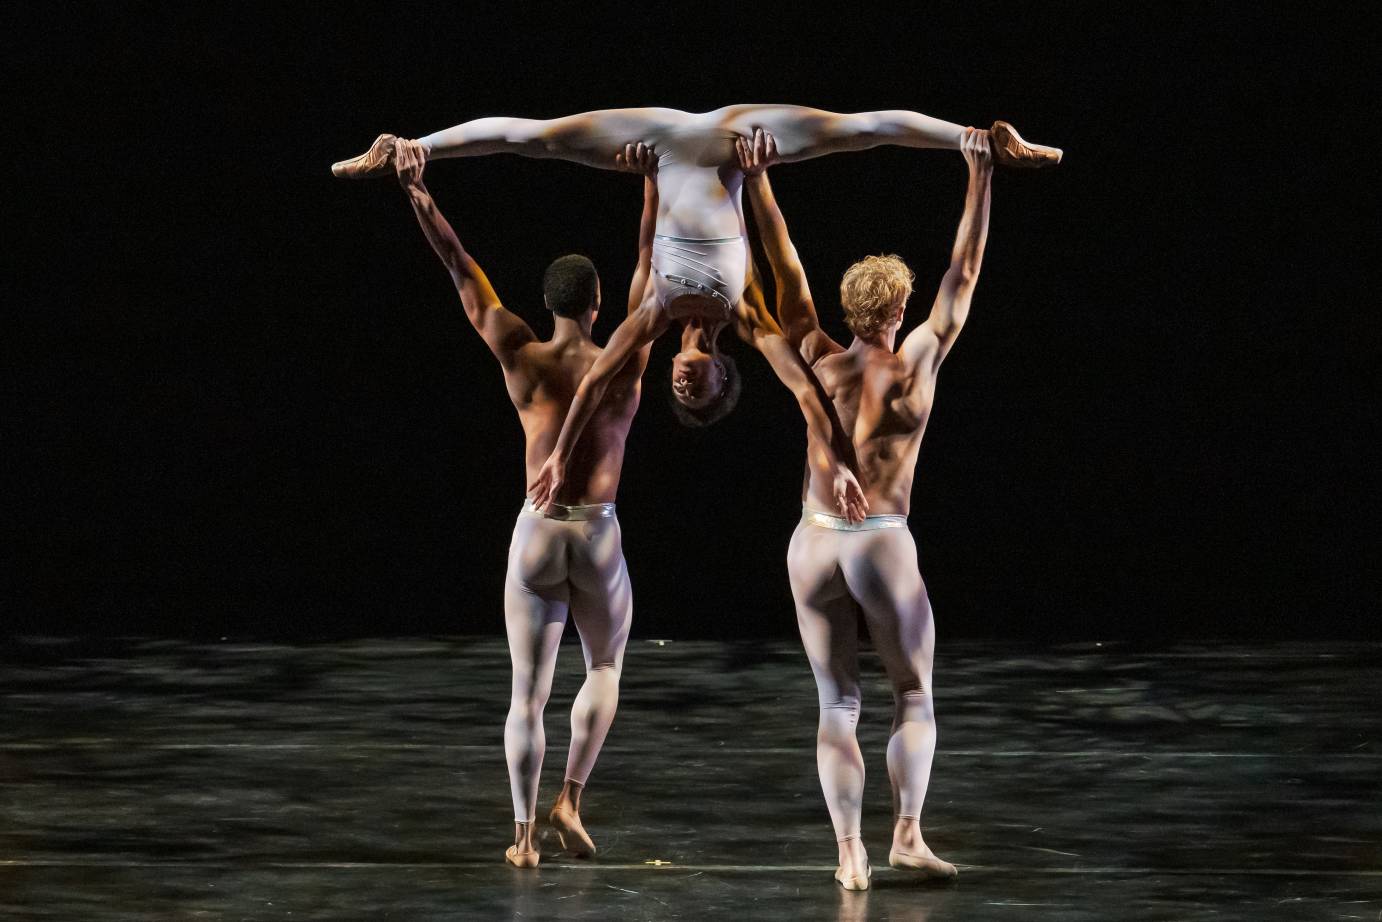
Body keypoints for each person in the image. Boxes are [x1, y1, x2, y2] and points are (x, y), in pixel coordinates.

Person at [334, 105, 1058, 424]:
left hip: (658, 147)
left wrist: (648, 182)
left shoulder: (648, 320)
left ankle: (406, 148)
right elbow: (803, 380)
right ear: (723, 376)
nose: (685, 385)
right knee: (855, 131)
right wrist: (757, 177)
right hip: (735, 144)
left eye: (681, 395)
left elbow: (600, 374)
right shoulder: (748, 317)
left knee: (541, 139)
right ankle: (983, 140)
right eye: (701, 393)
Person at [737, 126, 996, 889]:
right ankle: (905, 834)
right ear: (901, 307)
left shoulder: (816, 356)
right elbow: (964, 271)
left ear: (849, 310)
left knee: (836, 703)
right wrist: (979, 173)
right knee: (911, 691)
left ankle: (849, 851)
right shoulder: (914, 364)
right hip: (880, 537)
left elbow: (784, 268)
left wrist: (757, 182)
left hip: (814, 539)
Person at [392, 138, 658, 868]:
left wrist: (419, 192)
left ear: (547, 304)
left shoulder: (521, 352)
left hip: (537, 530)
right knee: (604, 668)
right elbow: (647, 276)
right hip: (598, 533)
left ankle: (522, 839)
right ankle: (570, 797)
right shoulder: (626, 359)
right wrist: (651, 186)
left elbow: (461, 268)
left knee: (527, 697)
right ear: (597, 304)